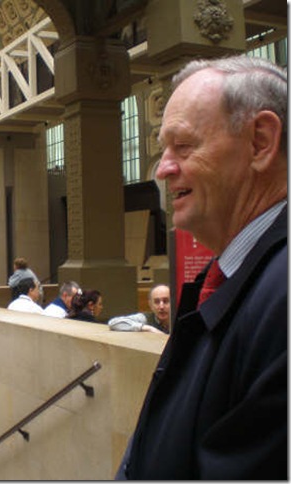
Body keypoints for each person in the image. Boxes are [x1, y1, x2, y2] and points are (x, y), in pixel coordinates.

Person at [116, 55, 287, 479]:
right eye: (162, 150)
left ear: (260, 142)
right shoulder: (235, 278)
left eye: (184, 145)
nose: (162, 168)